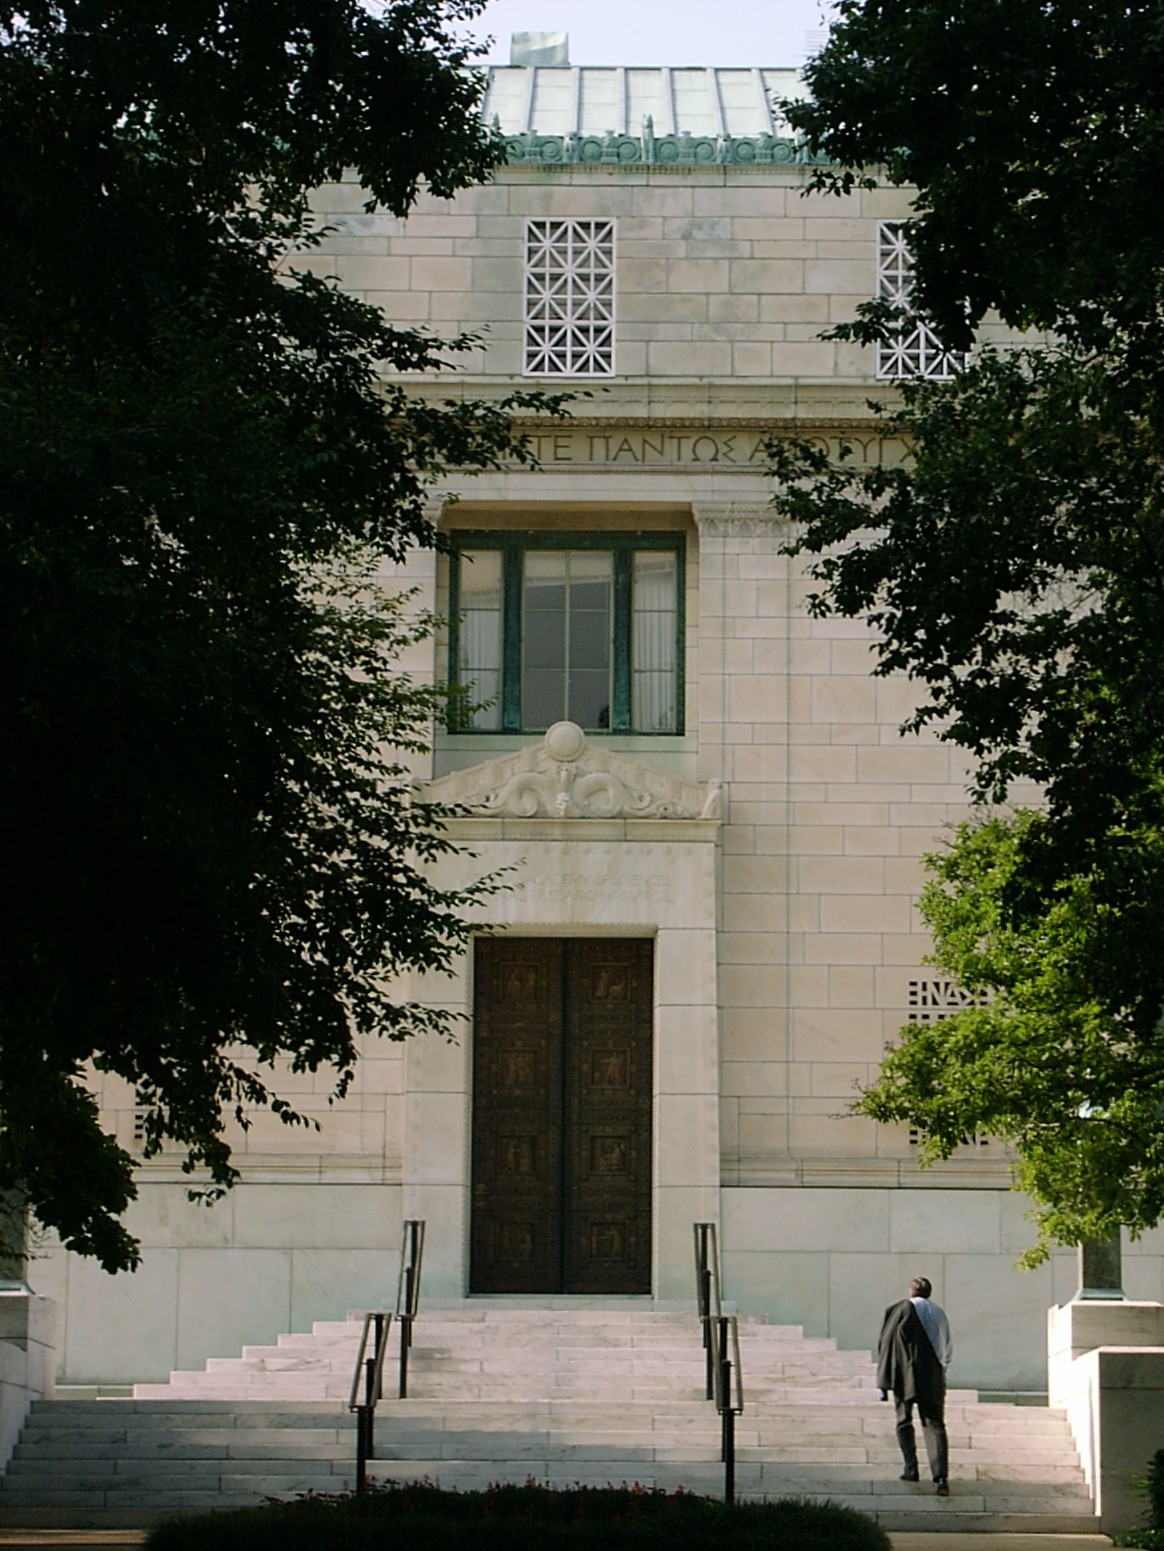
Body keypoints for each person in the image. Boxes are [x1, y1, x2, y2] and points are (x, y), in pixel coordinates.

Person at [876, 1276, 953, 1497]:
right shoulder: (940, 1313)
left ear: (911, 1292)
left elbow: (886, 1345)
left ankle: (911, 1469)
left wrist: (884, 1381)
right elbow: (947, 1346)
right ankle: (941, 1478)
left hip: (904, 1375)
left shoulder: (899, 1311)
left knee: (903, 1420)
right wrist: (941, 1369)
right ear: (929, 1292)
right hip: (933, 1375)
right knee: (934, 1424)